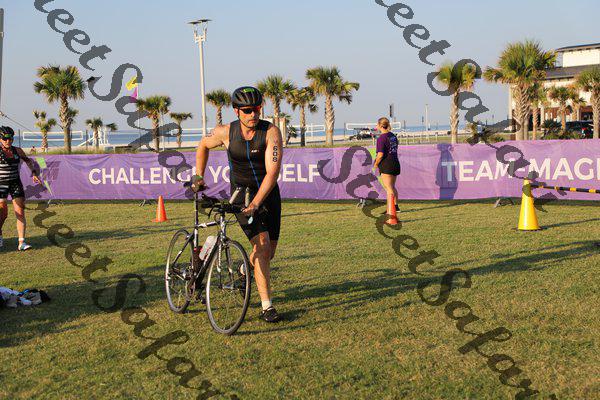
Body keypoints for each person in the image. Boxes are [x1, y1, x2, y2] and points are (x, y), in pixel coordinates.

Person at [193, 87, 284, 323]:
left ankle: (245, 270)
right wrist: (198, 176)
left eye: (257, 109)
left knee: (268, 252)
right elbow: (203, 145)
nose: (253, 114)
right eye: (247, 110)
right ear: (236, 111)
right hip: (241, 197)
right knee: (262, 246)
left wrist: (257, 203)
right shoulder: (225, 132)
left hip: (268, 195)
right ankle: (267, 306)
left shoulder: (271, 132)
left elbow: (272, 173)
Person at [0, 126, 42, 250]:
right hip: (1, 184)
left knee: (20, 212)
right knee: (2, 213)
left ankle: (21, 242)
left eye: (10, 139)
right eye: (5, 139)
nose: (8, 141)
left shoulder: (17, 150)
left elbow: (28, 161)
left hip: (15, 183)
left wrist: (34, 173)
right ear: (0, 139)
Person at [373, 117, 400, 217]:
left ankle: (390, 209)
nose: (376, 126)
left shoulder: (381, 138)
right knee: (392, 187)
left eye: (377, 124)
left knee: (388, 188)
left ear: (380, 125)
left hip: (387, 165)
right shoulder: (393, 136)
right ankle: (395, 207)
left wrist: (375, 164)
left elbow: (380, 155)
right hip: (395, 163)